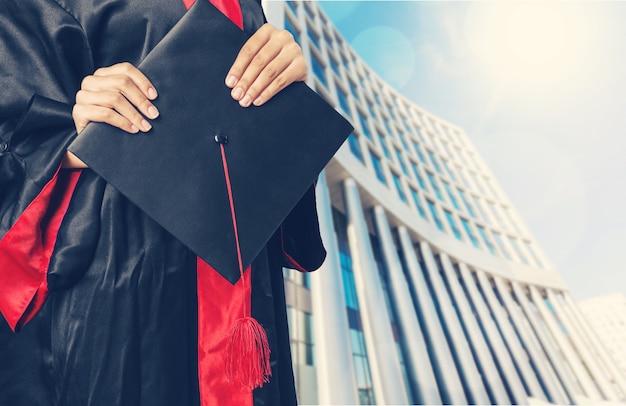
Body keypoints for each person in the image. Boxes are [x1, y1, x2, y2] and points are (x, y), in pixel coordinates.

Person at [0, 0, 327, 405]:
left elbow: (255, 146)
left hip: (242, 300)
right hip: (121, 268)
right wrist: (75, 126)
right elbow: (12, 121)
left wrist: (284, 84)